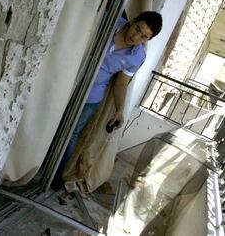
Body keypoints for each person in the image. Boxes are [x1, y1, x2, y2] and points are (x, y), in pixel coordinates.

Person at [55, 11, 163, 184]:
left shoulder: (138, 57)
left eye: (143, 36)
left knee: (72, 133)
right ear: (133, 20)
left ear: (147, 40)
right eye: (137, 29)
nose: (136, 37)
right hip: (66, 81)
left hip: (92, 96)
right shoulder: (109, 20)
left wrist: (120, 110)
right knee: (51, 120)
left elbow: (121, 83)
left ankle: (56, 174)